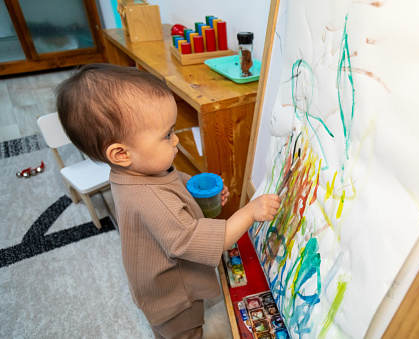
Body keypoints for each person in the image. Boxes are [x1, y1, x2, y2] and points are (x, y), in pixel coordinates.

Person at [56, 64, 281, 339]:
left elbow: (172, 180)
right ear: (121, 153)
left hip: (161, 284)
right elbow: (200, 240)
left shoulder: (134, 170)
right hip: (172, 301)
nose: (176, 140)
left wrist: (196, 192)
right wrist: (249, 213)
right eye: (166, 135)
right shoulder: (151, 199)